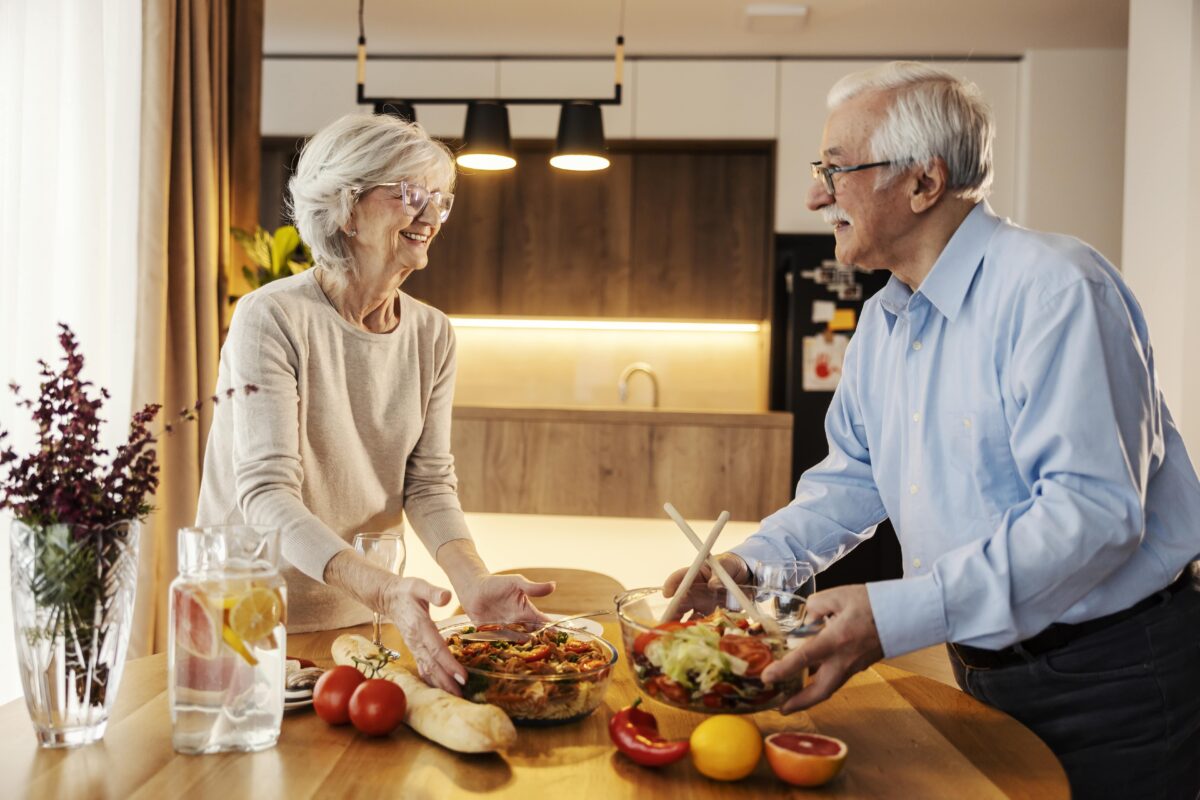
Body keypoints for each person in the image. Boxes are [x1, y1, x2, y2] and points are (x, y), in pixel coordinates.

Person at [664, 61, 1200, 798]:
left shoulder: (1054, 290)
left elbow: (1095, 514)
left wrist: (895, 614)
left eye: (836, 169)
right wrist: (749, 568)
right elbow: (853, 479)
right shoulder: (884, 322)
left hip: (1114, 678)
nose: (816, 195)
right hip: (977, 667)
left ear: (924, 183)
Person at [197, 113, 553, 694]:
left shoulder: (432, 334)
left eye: (440, 198)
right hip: (254, 622)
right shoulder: (273, 317)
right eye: (411, 194)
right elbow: (264, 495)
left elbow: (429, 484)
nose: (431, 214)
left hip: (364, 618)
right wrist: (384, 587)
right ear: (346, 206)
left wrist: (472, 581)